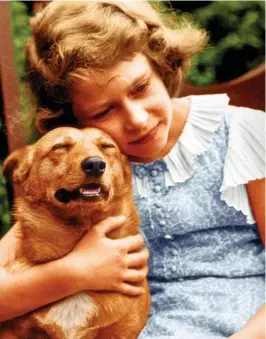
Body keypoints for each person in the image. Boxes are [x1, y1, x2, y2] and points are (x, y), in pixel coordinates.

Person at [1, 1, 265, 338]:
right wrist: (74, 272)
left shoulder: (244, 135)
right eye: (103, 110)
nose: (137, 120)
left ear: (161, 65)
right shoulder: (85, 180)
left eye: (140, 88)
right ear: (74, 119)